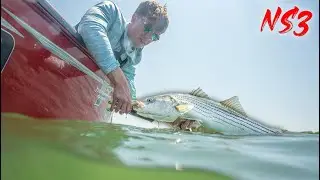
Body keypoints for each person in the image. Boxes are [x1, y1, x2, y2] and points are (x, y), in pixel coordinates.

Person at [76, 0, 169, 114]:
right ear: (134, 18)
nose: (148, 38)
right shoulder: (111, 11)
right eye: (148, 28)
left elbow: (128, 81)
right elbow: (90, 26)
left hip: (81, 92)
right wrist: (119, 80)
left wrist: (172, 117)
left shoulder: (134, 56)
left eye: (155, 36)